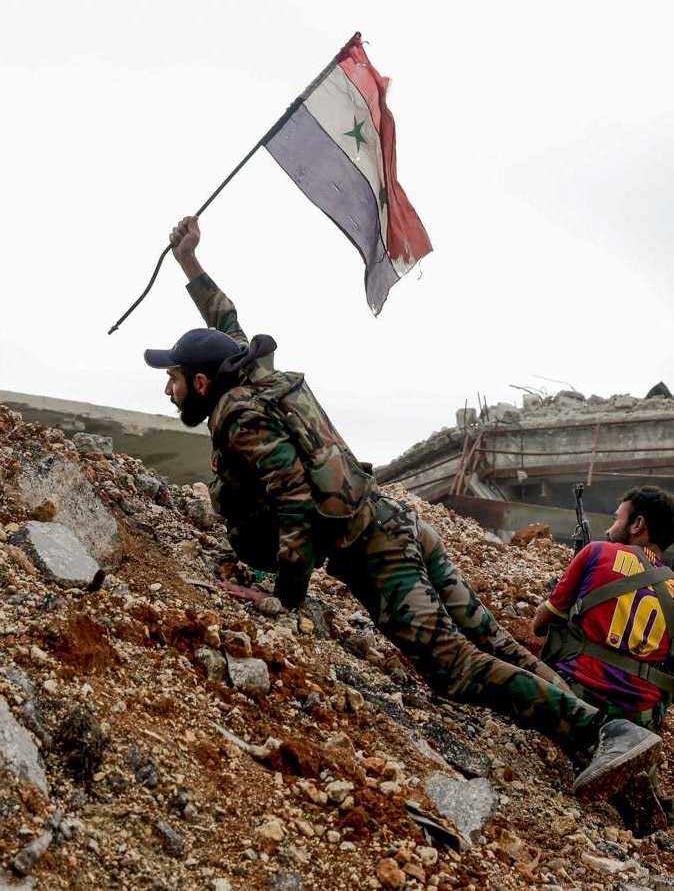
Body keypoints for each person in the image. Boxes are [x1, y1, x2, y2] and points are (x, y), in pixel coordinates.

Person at [144, 215, 662, 804]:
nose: (169, 390)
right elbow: (227, 324)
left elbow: (294, 503)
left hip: (381, 553)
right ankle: (612, 733)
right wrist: (190, 264)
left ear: (204, 384)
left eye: (175, 378)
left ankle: (603, 731)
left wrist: (283, 595)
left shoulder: (238, 414)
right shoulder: (254, 374)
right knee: (493, 642)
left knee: (455, 667)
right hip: (400, 522)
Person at [533, 486, 674, 833]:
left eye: (616, 519)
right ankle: (633, 775)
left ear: (637, 524)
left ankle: (587, 747)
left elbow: (539, 625)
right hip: (638, 716)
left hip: (576, 693)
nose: (610, 528)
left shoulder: (596, 552)